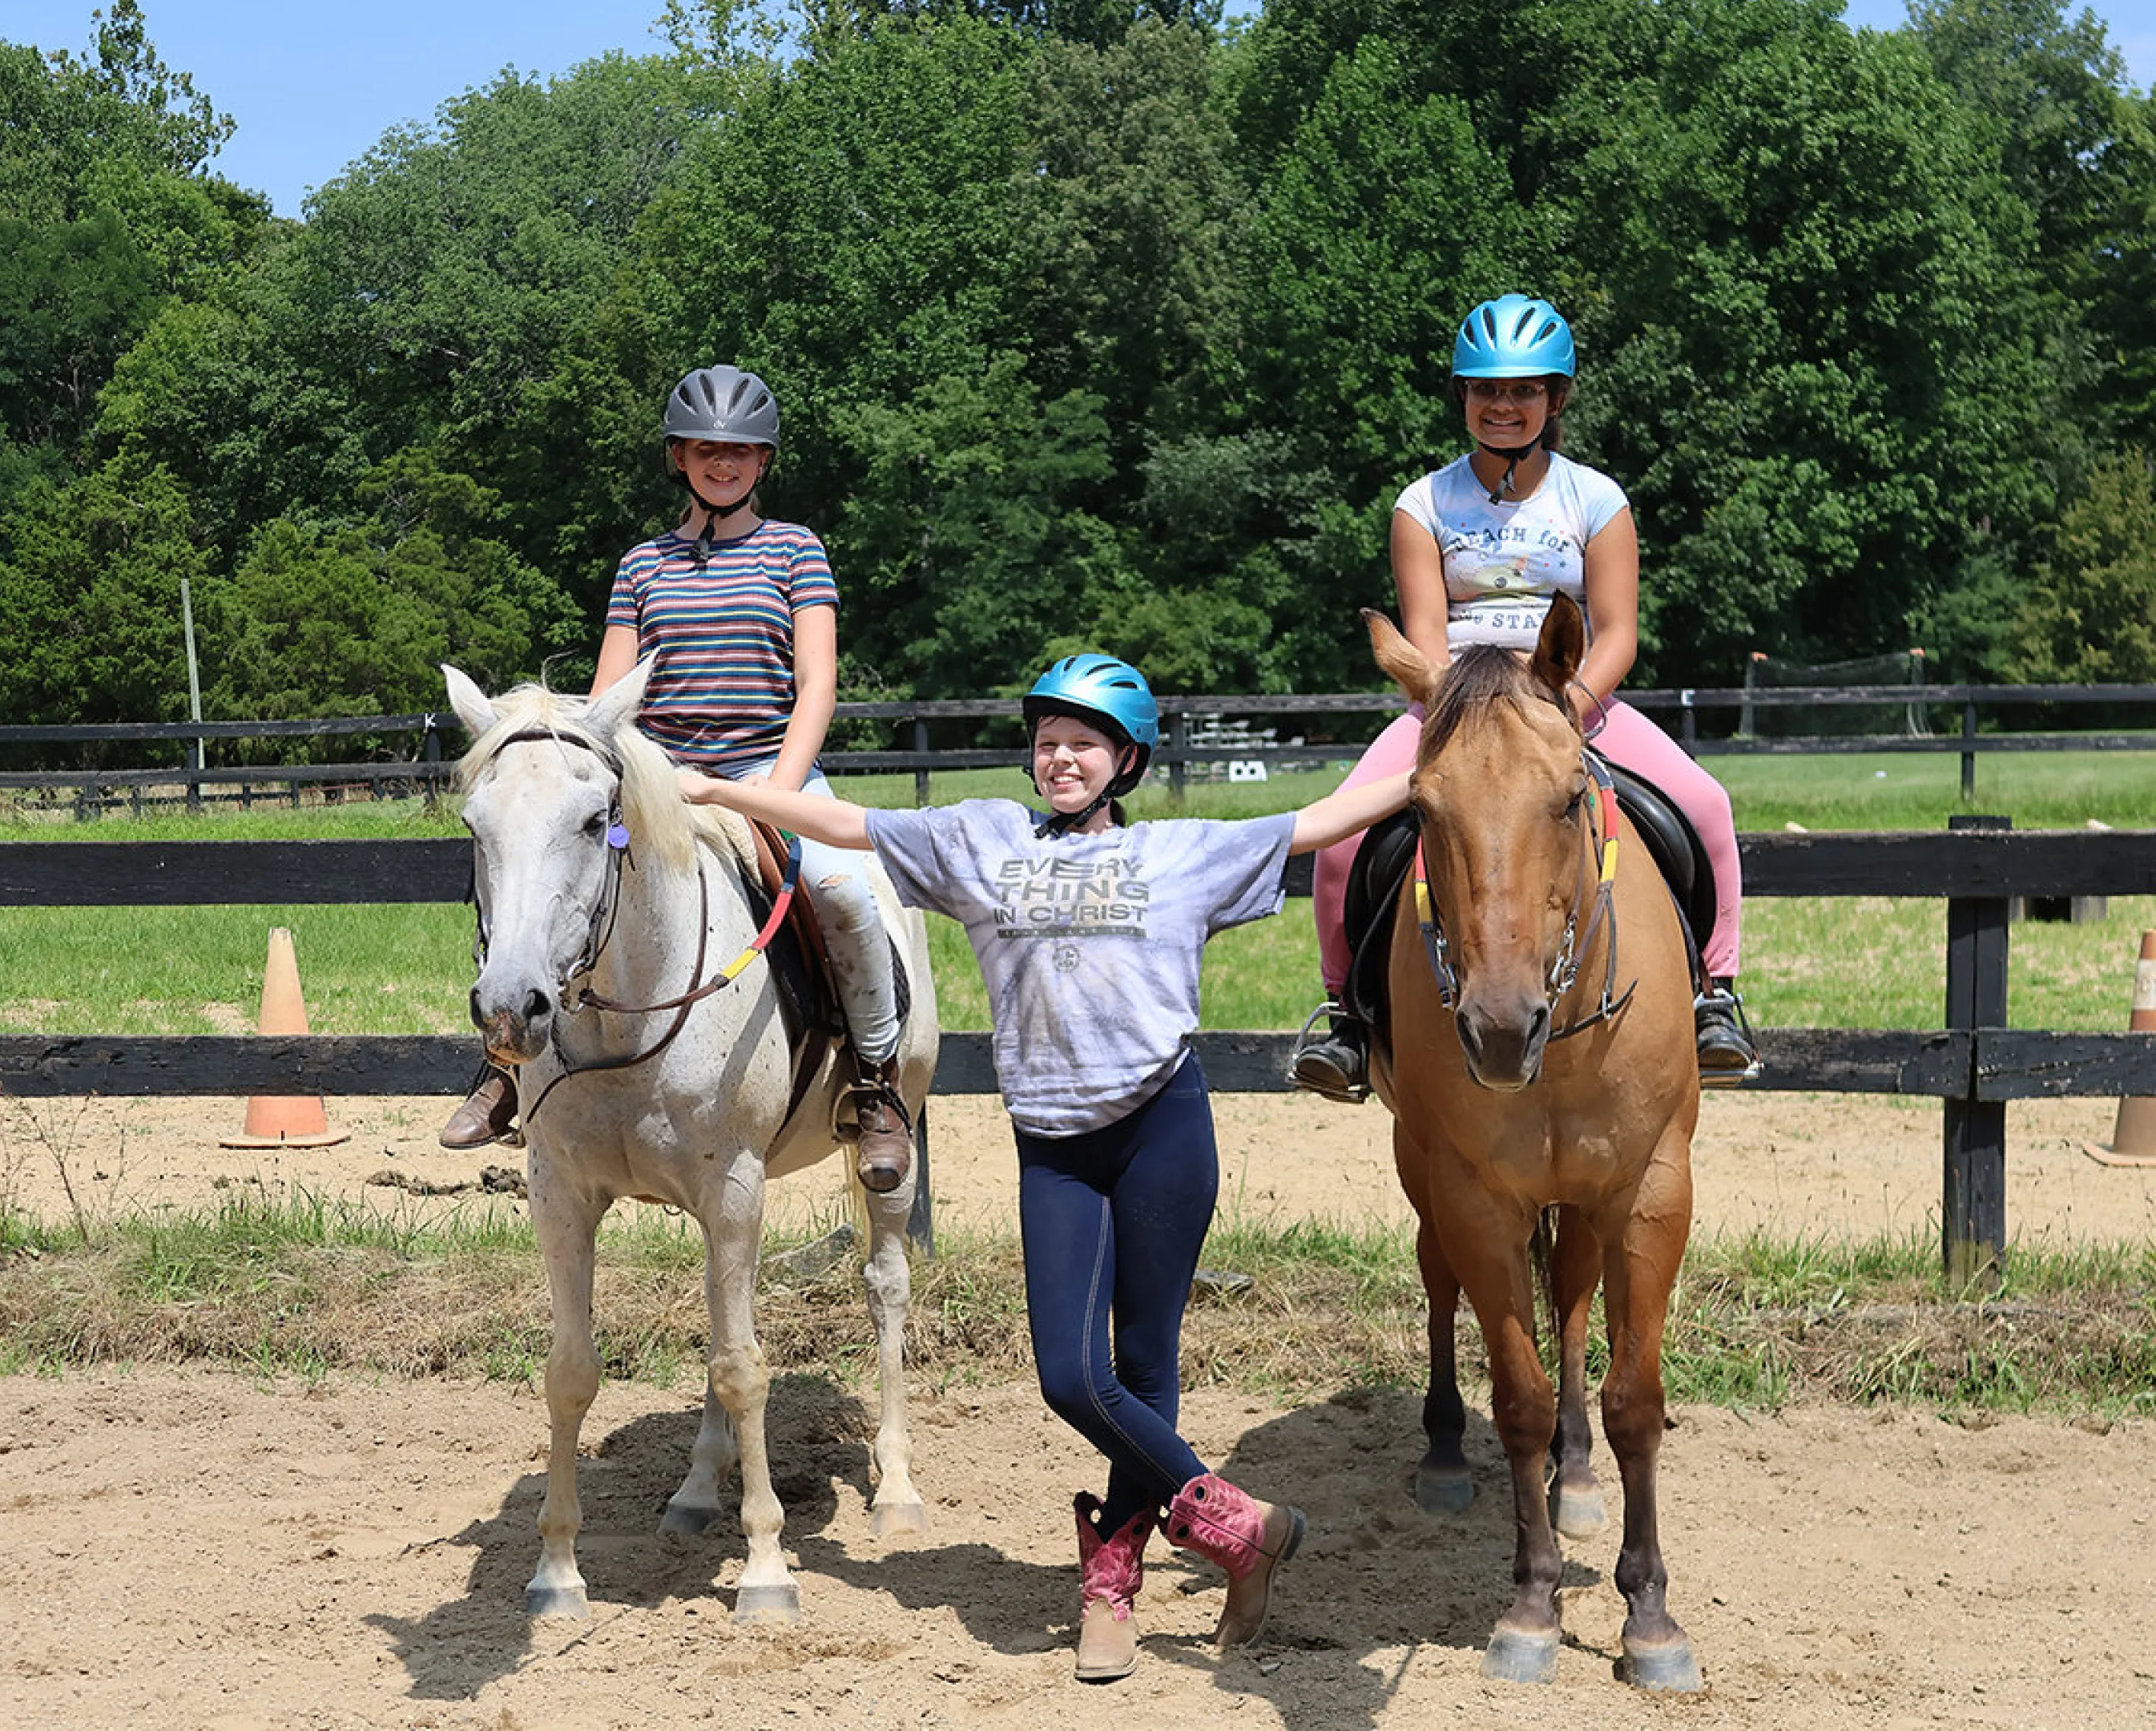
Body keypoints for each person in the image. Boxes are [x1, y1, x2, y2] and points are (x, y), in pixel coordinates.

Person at [681, 652, 1412, 1683]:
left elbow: (1321, 823)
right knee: (1071, 1375)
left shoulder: (1182, 852)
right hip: (1057, 1147)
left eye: (1084, 744)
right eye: (1047, 741)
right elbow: (847, 828)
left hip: (1164, 1129)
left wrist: (1432, 767)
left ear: (1125, 760)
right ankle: (1238, 1524)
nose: (1060, 758)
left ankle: (1110, 1579)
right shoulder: (982, 840)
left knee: (1145, 1365)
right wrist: (715, 789)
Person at [440, 365, 911, 1190]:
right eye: (704, 450)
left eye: (737, 452)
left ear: (762, 461)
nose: (720, 464)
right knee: (552, 878)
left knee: (843, 891)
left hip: (769, 765)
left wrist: (780, 795)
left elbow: (817, 685)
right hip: (660, 777)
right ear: (679, 458)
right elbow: (606, 704)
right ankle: (508, 1063)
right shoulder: (642, 567)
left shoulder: (796, 551)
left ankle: (874, 1087)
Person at [1292, 293, 1756, 1101]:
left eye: (1523, 391)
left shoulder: (1596, 499)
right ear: (1463, 398)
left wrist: (1565, 705)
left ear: (1556, 399)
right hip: (1454, 706)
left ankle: (1715, 997)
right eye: (1485, 390)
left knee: (1707, 806)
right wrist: (1459, 711)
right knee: (1339, 845)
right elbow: (1426, 633)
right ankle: (1346, 1020)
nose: (1502, 406)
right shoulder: (1422, 505)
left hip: (1570, 699)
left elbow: (1616, 632)